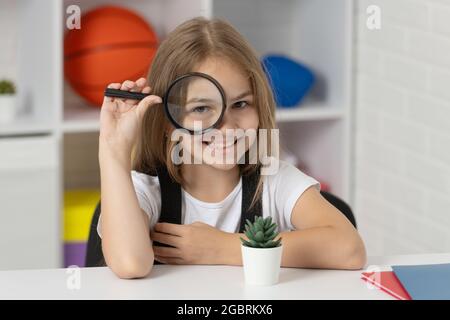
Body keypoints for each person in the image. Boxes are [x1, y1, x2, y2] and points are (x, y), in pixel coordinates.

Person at [98, 17, 366, 279]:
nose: (226, 128)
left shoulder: (275, 181)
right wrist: (113, 152)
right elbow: (130, 263)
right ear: (169, 121)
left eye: (240, 104)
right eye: (201, 108)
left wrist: (224, 247)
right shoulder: (146, 189)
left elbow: (349, 249)